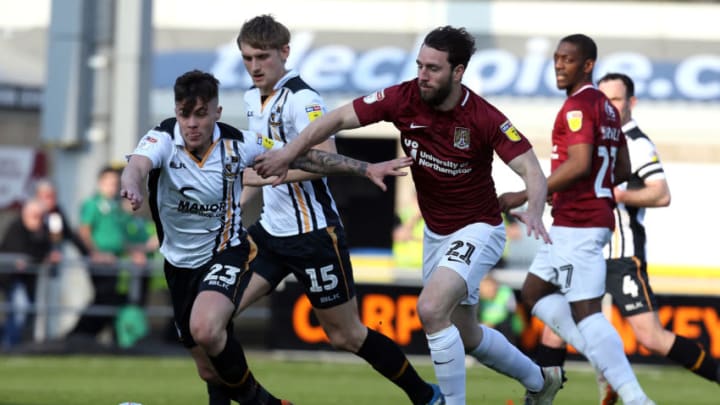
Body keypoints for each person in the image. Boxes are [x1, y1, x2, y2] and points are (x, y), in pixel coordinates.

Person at [253, 25, 564, 405]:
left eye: (433, 68)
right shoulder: (403, 98)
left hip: (479, 228)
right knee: (466, 336)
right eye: (420, 65)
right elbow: (333, 120)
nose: (423, 75)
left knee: (431, 309)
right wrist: (287, 153)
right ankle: (541, 380)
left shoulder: (484, 117)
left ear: (458, 71)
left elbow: (532, 170)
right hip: (437, 233)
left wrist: (534, 208)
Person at [120, 69, 413, 405]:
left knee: (207, 327)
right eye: (185, 114)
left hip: (227, 252)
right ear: (176, 112)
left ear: (216, 112)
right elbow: (138, 164)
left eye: (201, 114)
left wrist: (364, 168)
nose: (192, 124)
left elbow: (303, 156)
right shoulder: (162, 139)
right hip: (178, 265)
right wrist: (131, 183)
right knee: (208, 367)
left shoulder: (240, 142)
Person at [207, 15, 444, 405]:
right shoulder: (252, 98)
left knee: (346, 335)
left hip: (314, 236)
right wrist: (234, 204)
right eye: (247, 58)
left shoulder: (304, 100)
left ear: (284, 52)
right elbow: (257, 168)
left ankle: (425, 396)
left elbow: (327, 161)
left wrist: (262, 177)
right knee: (213, 321)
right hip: (269, 234)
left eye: (262, 57)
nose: (254, 66)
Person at [534, 72, 720, 403]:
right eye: (605, 99)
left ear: (631, 103)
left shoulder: (636, 142)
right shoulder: (596, 136)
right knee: (554, 326)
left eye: (617, 99)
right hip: (587, 246)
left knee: (651, 336)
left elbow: (661, 194)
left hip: (622, 254)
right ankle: (538, 399)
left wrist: (617, 195)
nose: (609, 105)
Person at [499, 35, 656, 405]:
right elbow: (620, 167)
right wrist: (569, 188)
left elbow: (581, 163)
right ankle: (605, 362)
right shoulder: (605, 107)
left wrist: (526, 194)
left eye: (568, 59)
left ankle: (634, 395)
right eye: (556, 58)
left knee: (586, 312)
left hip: (580, 223)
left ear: (588, 64)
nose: (558, 65)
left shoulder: (577, 106)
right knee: (535, 292)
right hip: (578, 218)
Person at [70, 166, 127, 341]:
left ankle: (92, 335)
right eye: (109, 183)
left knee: (110, 298)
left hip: (114, 259)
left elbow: (119, 235)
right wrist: (95, 253)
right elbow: (84, 231)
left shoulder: (115, 206)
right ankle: (81, 334)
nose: (113, 187)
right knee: (104, 297)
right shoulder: (93, 204)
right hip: (101, 260)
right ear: (100, 183)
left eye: (115, 183)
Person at [0, 198, 61, 349]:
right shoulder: (16, 228)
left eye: (40, 215)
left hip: (29, 280)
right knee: (19, 308)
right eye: (34, 215)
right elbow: (23, 255)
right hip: (11, 279)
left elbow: (45, 250)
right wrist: (41, 257)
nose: (37, 219)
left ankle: (13, 342)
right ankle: (10, 345)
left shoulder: (44, 230)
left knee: (26, 313)